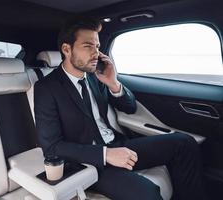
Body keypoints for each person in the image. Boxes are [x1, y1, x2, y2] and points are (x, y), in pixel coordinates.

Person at [34, 16, 207, 200]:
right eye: (88, 46)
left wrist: (113, 83)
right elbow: (52, 147)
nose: (96, 53)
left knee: (184, 143)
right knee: (147, 193)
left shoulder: (94, 76)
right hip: (89, 162)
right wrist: (105, 154)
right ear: (67, 49)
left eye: (97, 46)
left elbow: (130, 107)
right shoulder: (47, 88)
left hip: (118, 145)